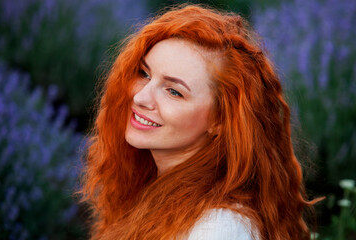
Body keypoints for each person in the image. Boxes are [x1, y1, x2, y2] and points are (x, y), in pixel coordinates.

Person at [80, 4, 319, 240]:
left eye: (174, 91)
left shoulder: (219, 228)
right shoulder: (149, 185)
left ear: (220, 121)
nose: (140, 97)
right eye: (144, 74)